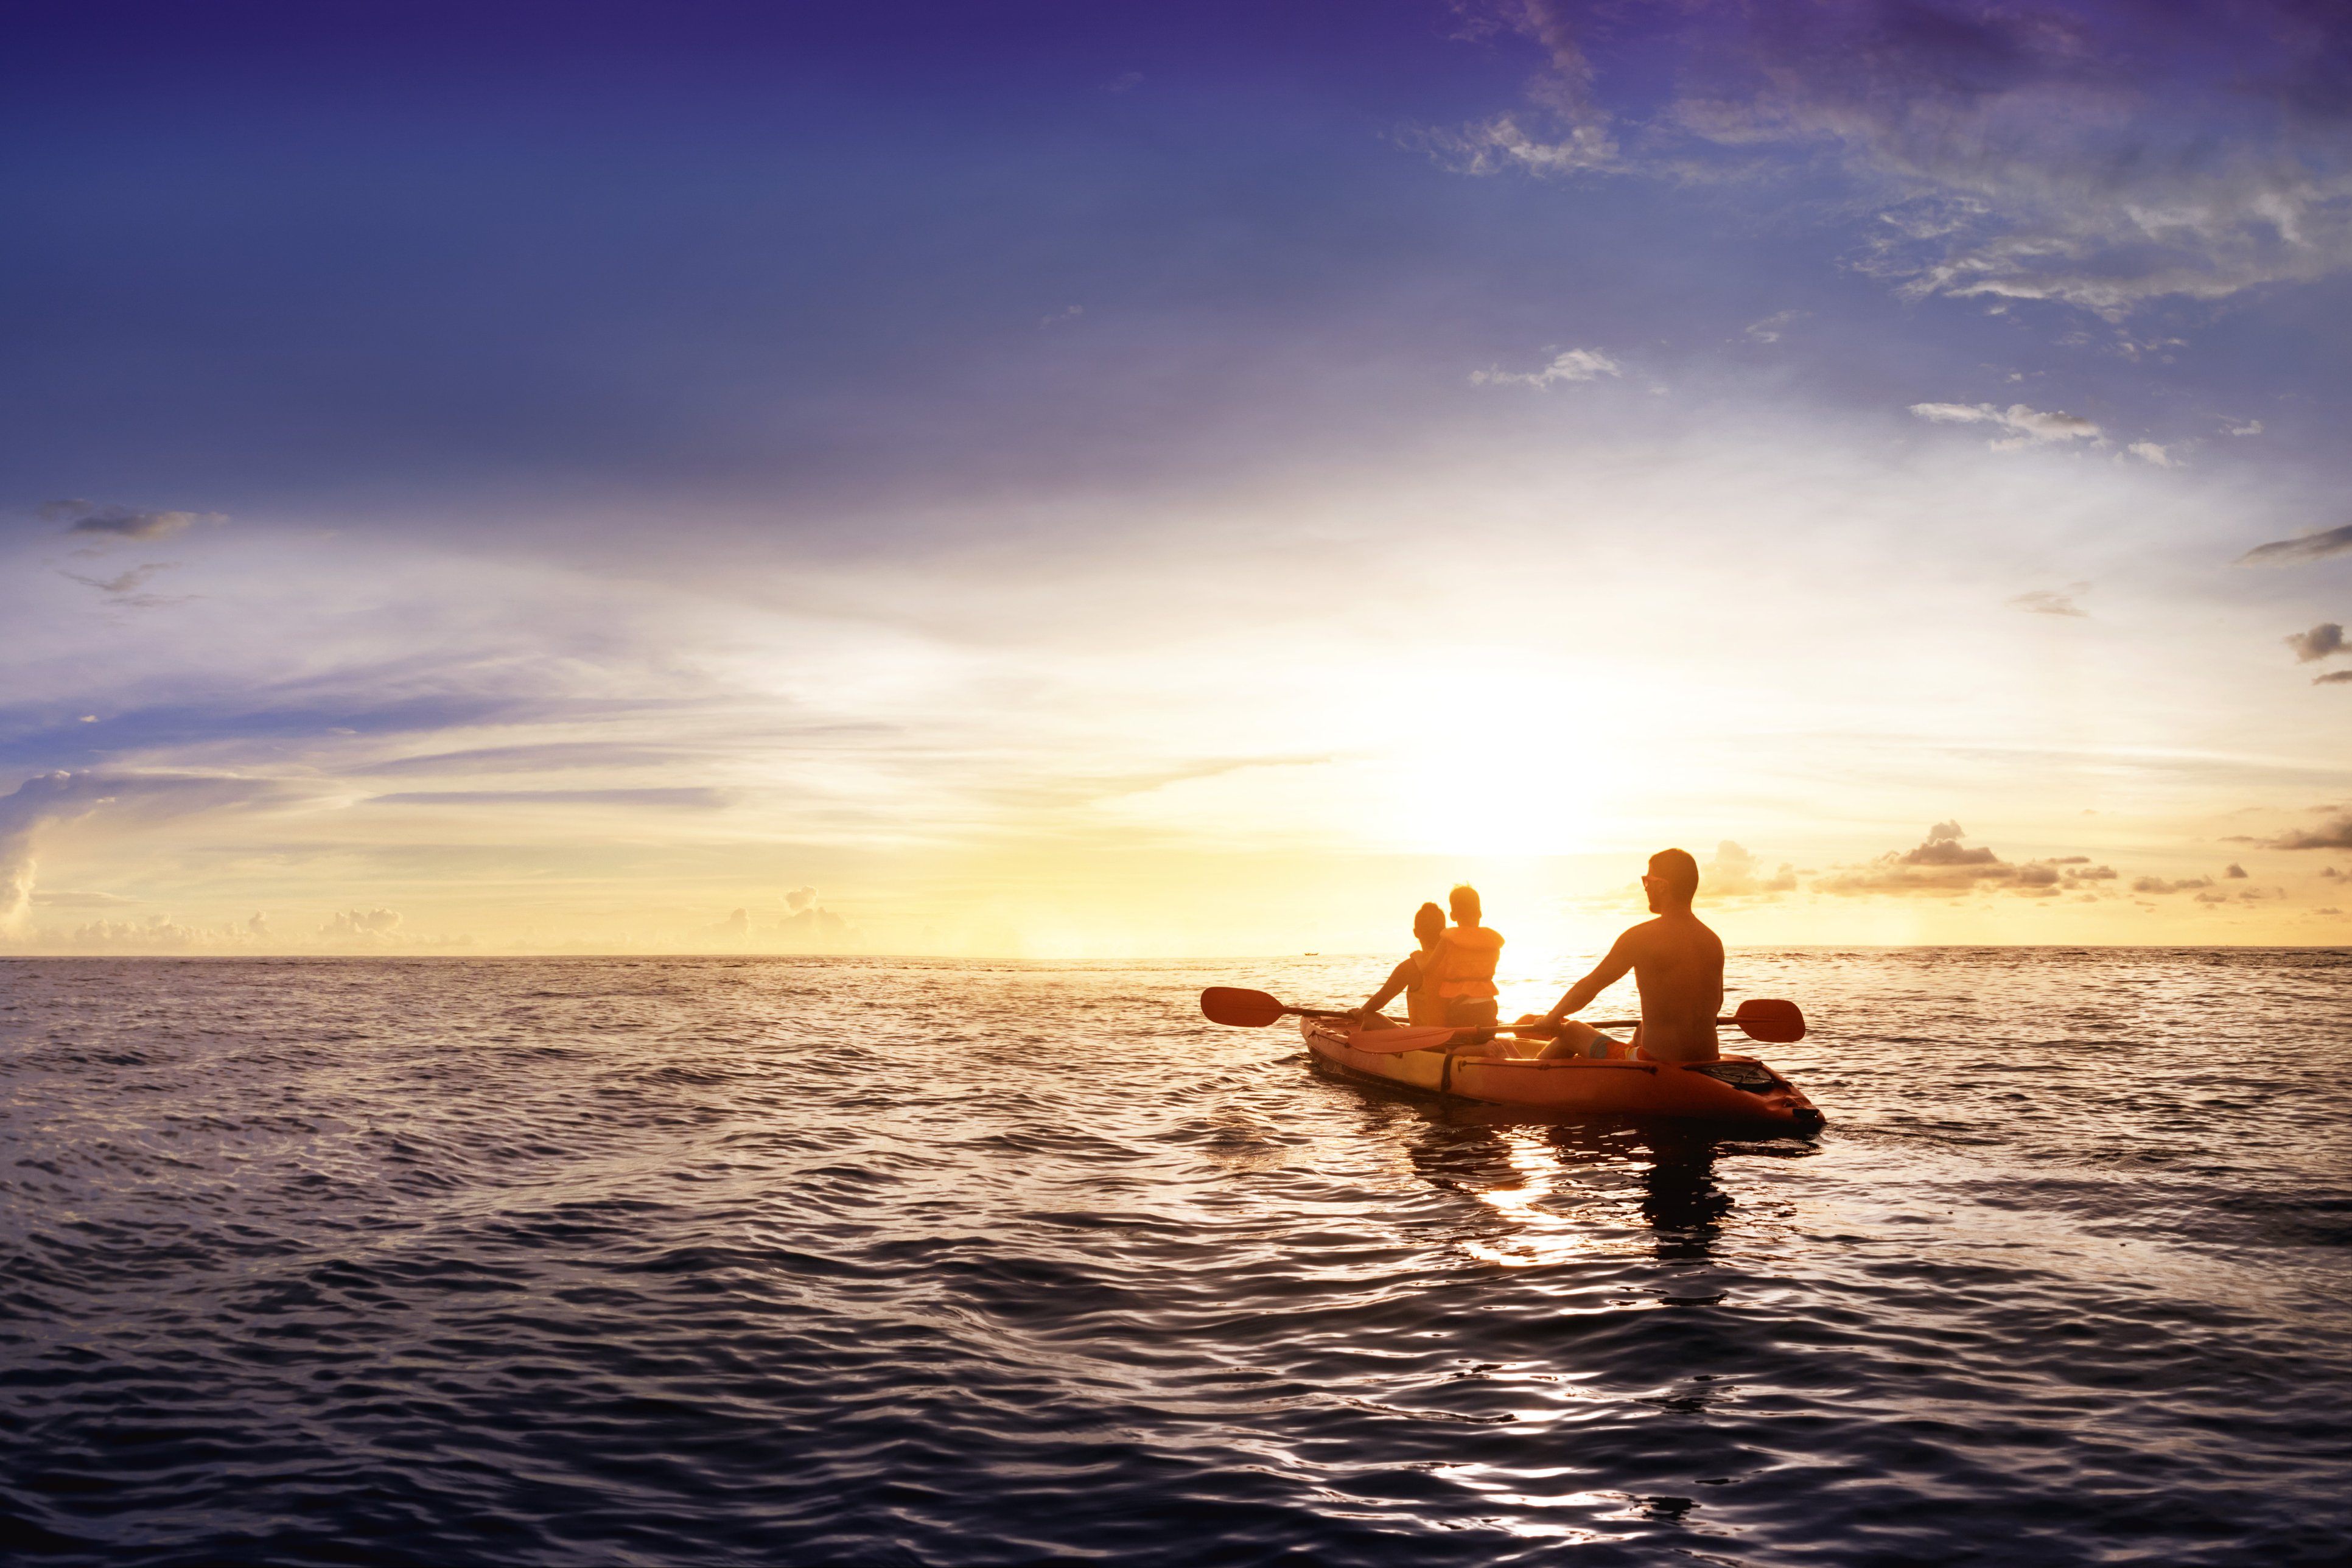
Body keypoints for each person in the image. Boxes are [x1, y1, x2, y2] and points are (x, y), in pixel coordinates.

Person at [1534, 849, 1724, 1063]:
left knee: (1571, 1031)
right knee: (1641, 1030)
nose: (1645, 888)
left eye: (1647, 880)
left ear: (1662, 885)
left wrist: (1549, 1019)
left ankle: (1526, 1076)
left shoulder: (1642, 936)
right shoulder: (1712, 940)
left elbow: (1589, 987)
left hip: (1657, 1062)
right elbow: (1717, 1003)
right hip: (1708, 1059)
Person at [1423, 884, 1506, 1038]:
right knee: (1485, 1038)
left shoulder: (1448, 940)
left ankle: (1484, 1049)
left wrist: (1417, 958)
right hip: (1488, 1005)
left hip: (1461, 1007)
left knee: (1452, 1048)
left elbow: (1428, 970)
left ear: (1453, 916)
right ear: (1480, 913)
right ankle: (1490, 1046)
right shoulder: (1491, 941)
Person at [1350, 902, 1448, 1029]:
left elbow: (1378, 1001)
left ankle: (1355, 1046)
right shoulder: (1457, 961)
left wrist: (1359, 1013)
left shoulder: (1410, 967)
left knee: (1369, 1018)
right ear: (1444, 931)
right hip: (1455, 1038)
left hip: (1425, 1041)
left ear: (1416, 932)